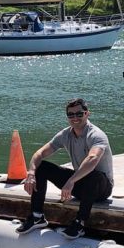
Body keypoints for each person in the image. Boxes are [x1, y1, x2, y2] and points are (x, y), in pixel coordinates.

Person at [16, 98, 113, 239]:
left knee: (94, 175)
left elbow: (93, 159)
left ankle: (80, 223)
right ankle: (37, 216)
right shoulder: (65, 134)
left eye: (79, 114)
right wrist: (30, 174)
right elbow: (40, 153)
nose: (75, 118)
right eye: (71, 115)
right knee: (41, 167)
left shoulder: (96, 135)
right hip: (80, 185)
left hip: (101, 188)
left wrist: (71, 181)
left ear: (87, 114)